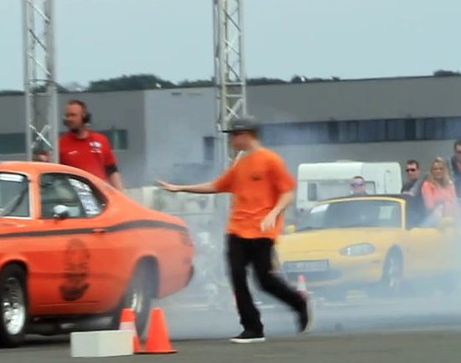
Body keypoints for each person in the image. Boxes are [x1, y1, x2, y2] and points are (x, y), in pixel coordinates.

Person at [157, 116, 310, 343]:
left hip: (261, 231)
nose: (231, 140)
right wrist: (180, 188)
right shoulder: (240, 163)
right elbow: (216, 185)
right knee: (237, 277)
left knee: (263, 279)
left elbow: (287, 192)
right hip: (237, 229)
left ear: (246, 135)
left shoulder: (270, 160)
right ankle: (252, 327)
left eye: (234, 135)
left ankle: (298, 302)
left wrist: (273, 212)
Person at [57, 99, 124, 190]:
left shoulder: (101, 140)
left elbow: (111, 170)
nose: (69, 119)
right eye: (67, 116)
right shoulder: (59, 144)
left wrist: (120, 193)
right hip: (76, 197)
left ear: (84, 117)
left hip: (100, 194)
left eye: (73, 115)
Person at [419, 157, 461, 222]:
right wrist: (444, 202)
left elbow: (455, 204)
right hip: (433, 217)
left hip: (451, 215)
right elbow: (429, 206)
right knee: (444, 206)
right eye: (435, 169)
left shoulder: (450, 185)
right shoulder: (427, 185)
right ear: (432, 171)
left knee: (449, 206)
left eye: (441, 169)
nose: (438, 171)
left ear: (445, 170)